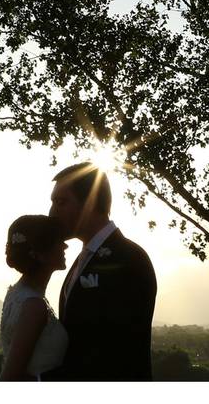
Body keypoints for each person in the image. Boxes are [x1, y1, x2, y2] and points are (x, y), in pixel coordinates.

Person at [42, 162, 157, 381]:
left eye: (61, 202)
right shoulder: (81, 259)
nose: (51, 213)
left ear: (90, 203)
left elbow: (111, 350)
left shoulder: (129, 259)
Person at [0, 214, 69, 381]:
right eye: (58, 240)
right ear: (40, 254)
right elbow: (11, 376)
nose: (65, 246)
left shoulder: (16, 294)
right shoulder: (34, 306)